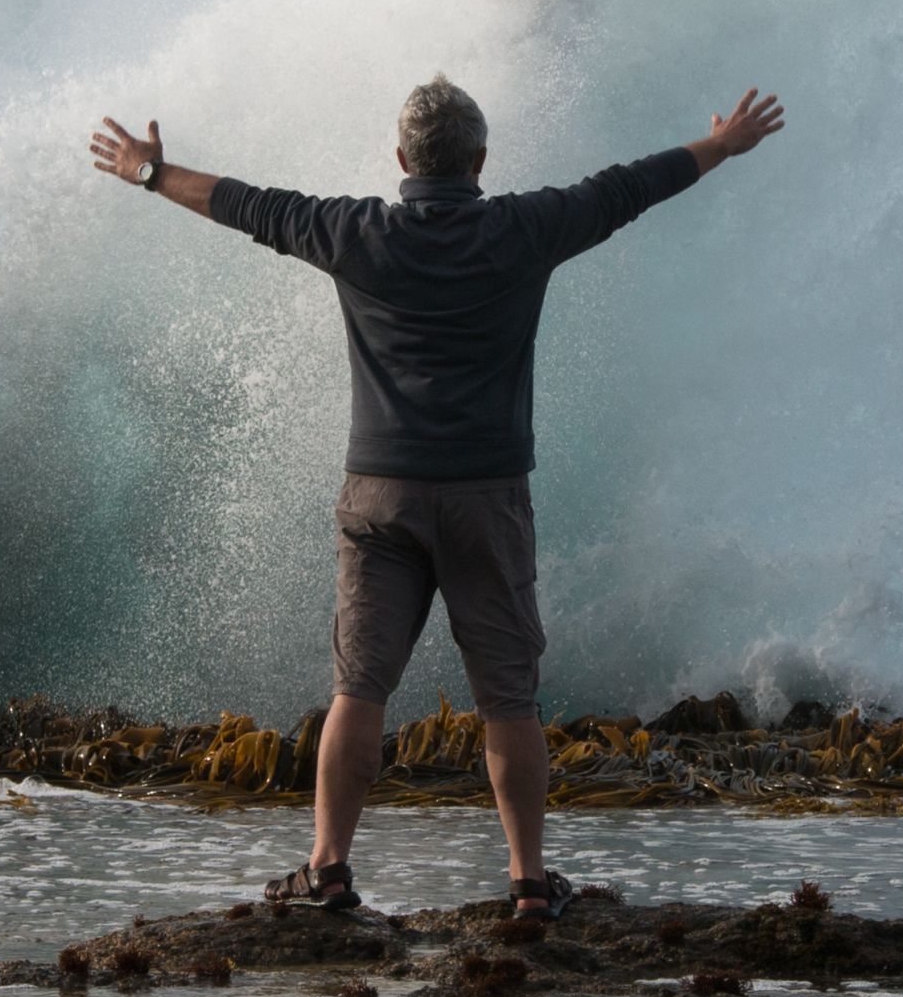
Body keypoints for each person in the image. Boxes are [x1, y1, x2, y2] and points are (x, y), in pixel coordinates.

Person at [89, 74, 784, 917]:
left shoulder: (353, 232)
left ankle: (329, 871)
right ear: (481, 161)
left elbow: (246, 205)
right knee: (508, 697)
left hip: (381, 498)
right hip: (488, 496)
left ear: (400, 159)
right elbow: (628, 188)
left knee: (361, 688)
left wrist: (147, 172)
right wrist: (720, 144)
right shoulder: (526, 229)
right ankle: (528, 884)